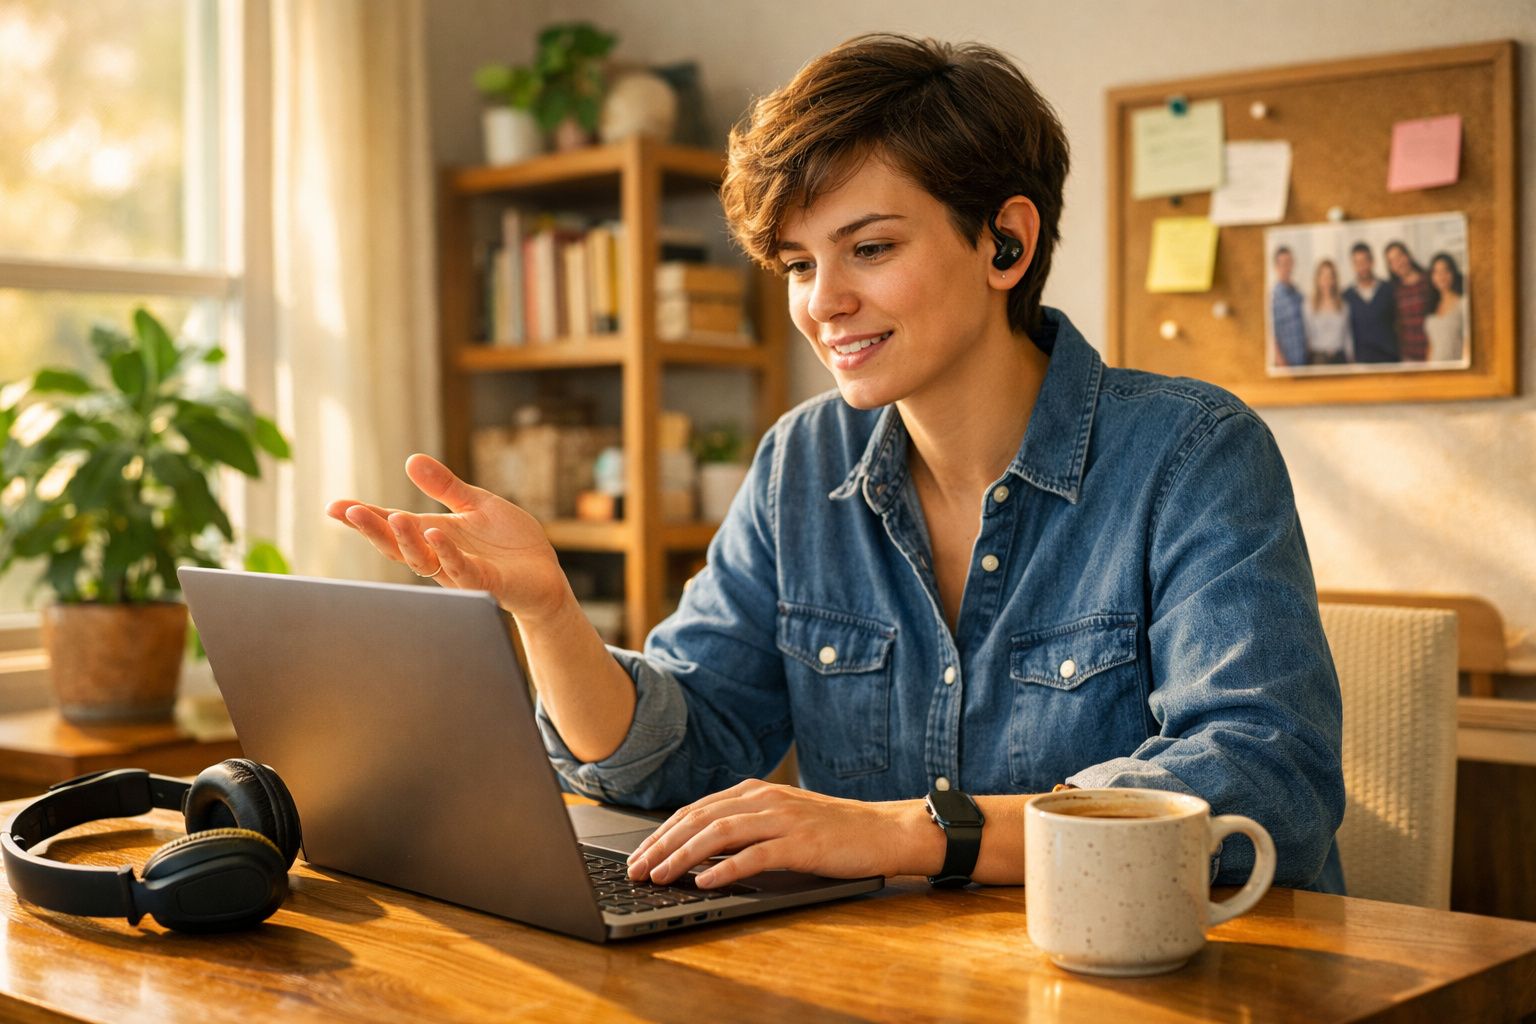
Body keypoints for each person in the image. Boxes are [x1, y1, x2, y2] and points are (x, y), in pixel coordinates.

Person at [329, 34, 1345, 896]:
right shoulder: (799, 462)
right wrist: (548, 612)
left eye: (867, 248)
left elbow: (1262, 779)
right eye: (800, 265)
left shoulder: (1193, 451)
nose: (822, 304)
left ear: (1005, 240)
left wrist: (913, 833)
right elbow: (679, 752)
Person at [1342, 242, 1398, 363]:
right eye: (1357, 263)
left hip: (1389, 359)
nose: (1361, 266)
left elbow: (1399, 323)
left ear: (1372, 262)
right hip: (1361, 361)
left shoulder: (1388, 289)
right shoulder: (1347, 296)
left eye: (1364, 261)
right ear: (1353, 265)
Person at [1384, 241, 1432, 362]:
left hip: (1432, 352)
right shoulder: (1394, 290)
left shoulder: (1429, 281)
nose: (1398, 263)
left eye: (1400, 256)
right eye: (1392, 261)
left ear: (1408, 255)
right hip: (1408, 356)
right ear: (1390, 267)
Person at [1305, 258, 1352, 365]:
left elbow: (1347, 337)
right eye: (1323, 275)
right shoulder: (1308, 305)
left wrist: (1351, 360)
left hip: (1340, 359)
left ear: (1335, 279)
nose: (1326, 280)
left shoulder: (1344, 306)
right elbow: (1306, 336)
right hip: (1318, 359)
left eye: (1330, 276)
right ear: (1317, 279)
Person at [1423, 251, 1466, 364]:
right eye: (1436, 272)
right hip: (1435, 371)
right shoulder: (1432, 306)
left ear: (1453, 273)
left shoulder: (1463, 303)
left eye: (1445, 271)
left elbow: (1468, 343)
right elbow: (1431, 345)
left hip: (1456, 371)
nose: (1441, 276)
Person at [1269, 247, 1308, 367]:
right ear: (1276, 266)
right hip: (1286, 363)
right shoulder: (1274, 296)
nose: (1287, 267)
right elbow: (1271, 333)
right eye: (1283, 264)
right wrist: (1281, 362)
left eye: (1290, 262)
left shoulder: (1298, 293)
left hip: (1303, 360)